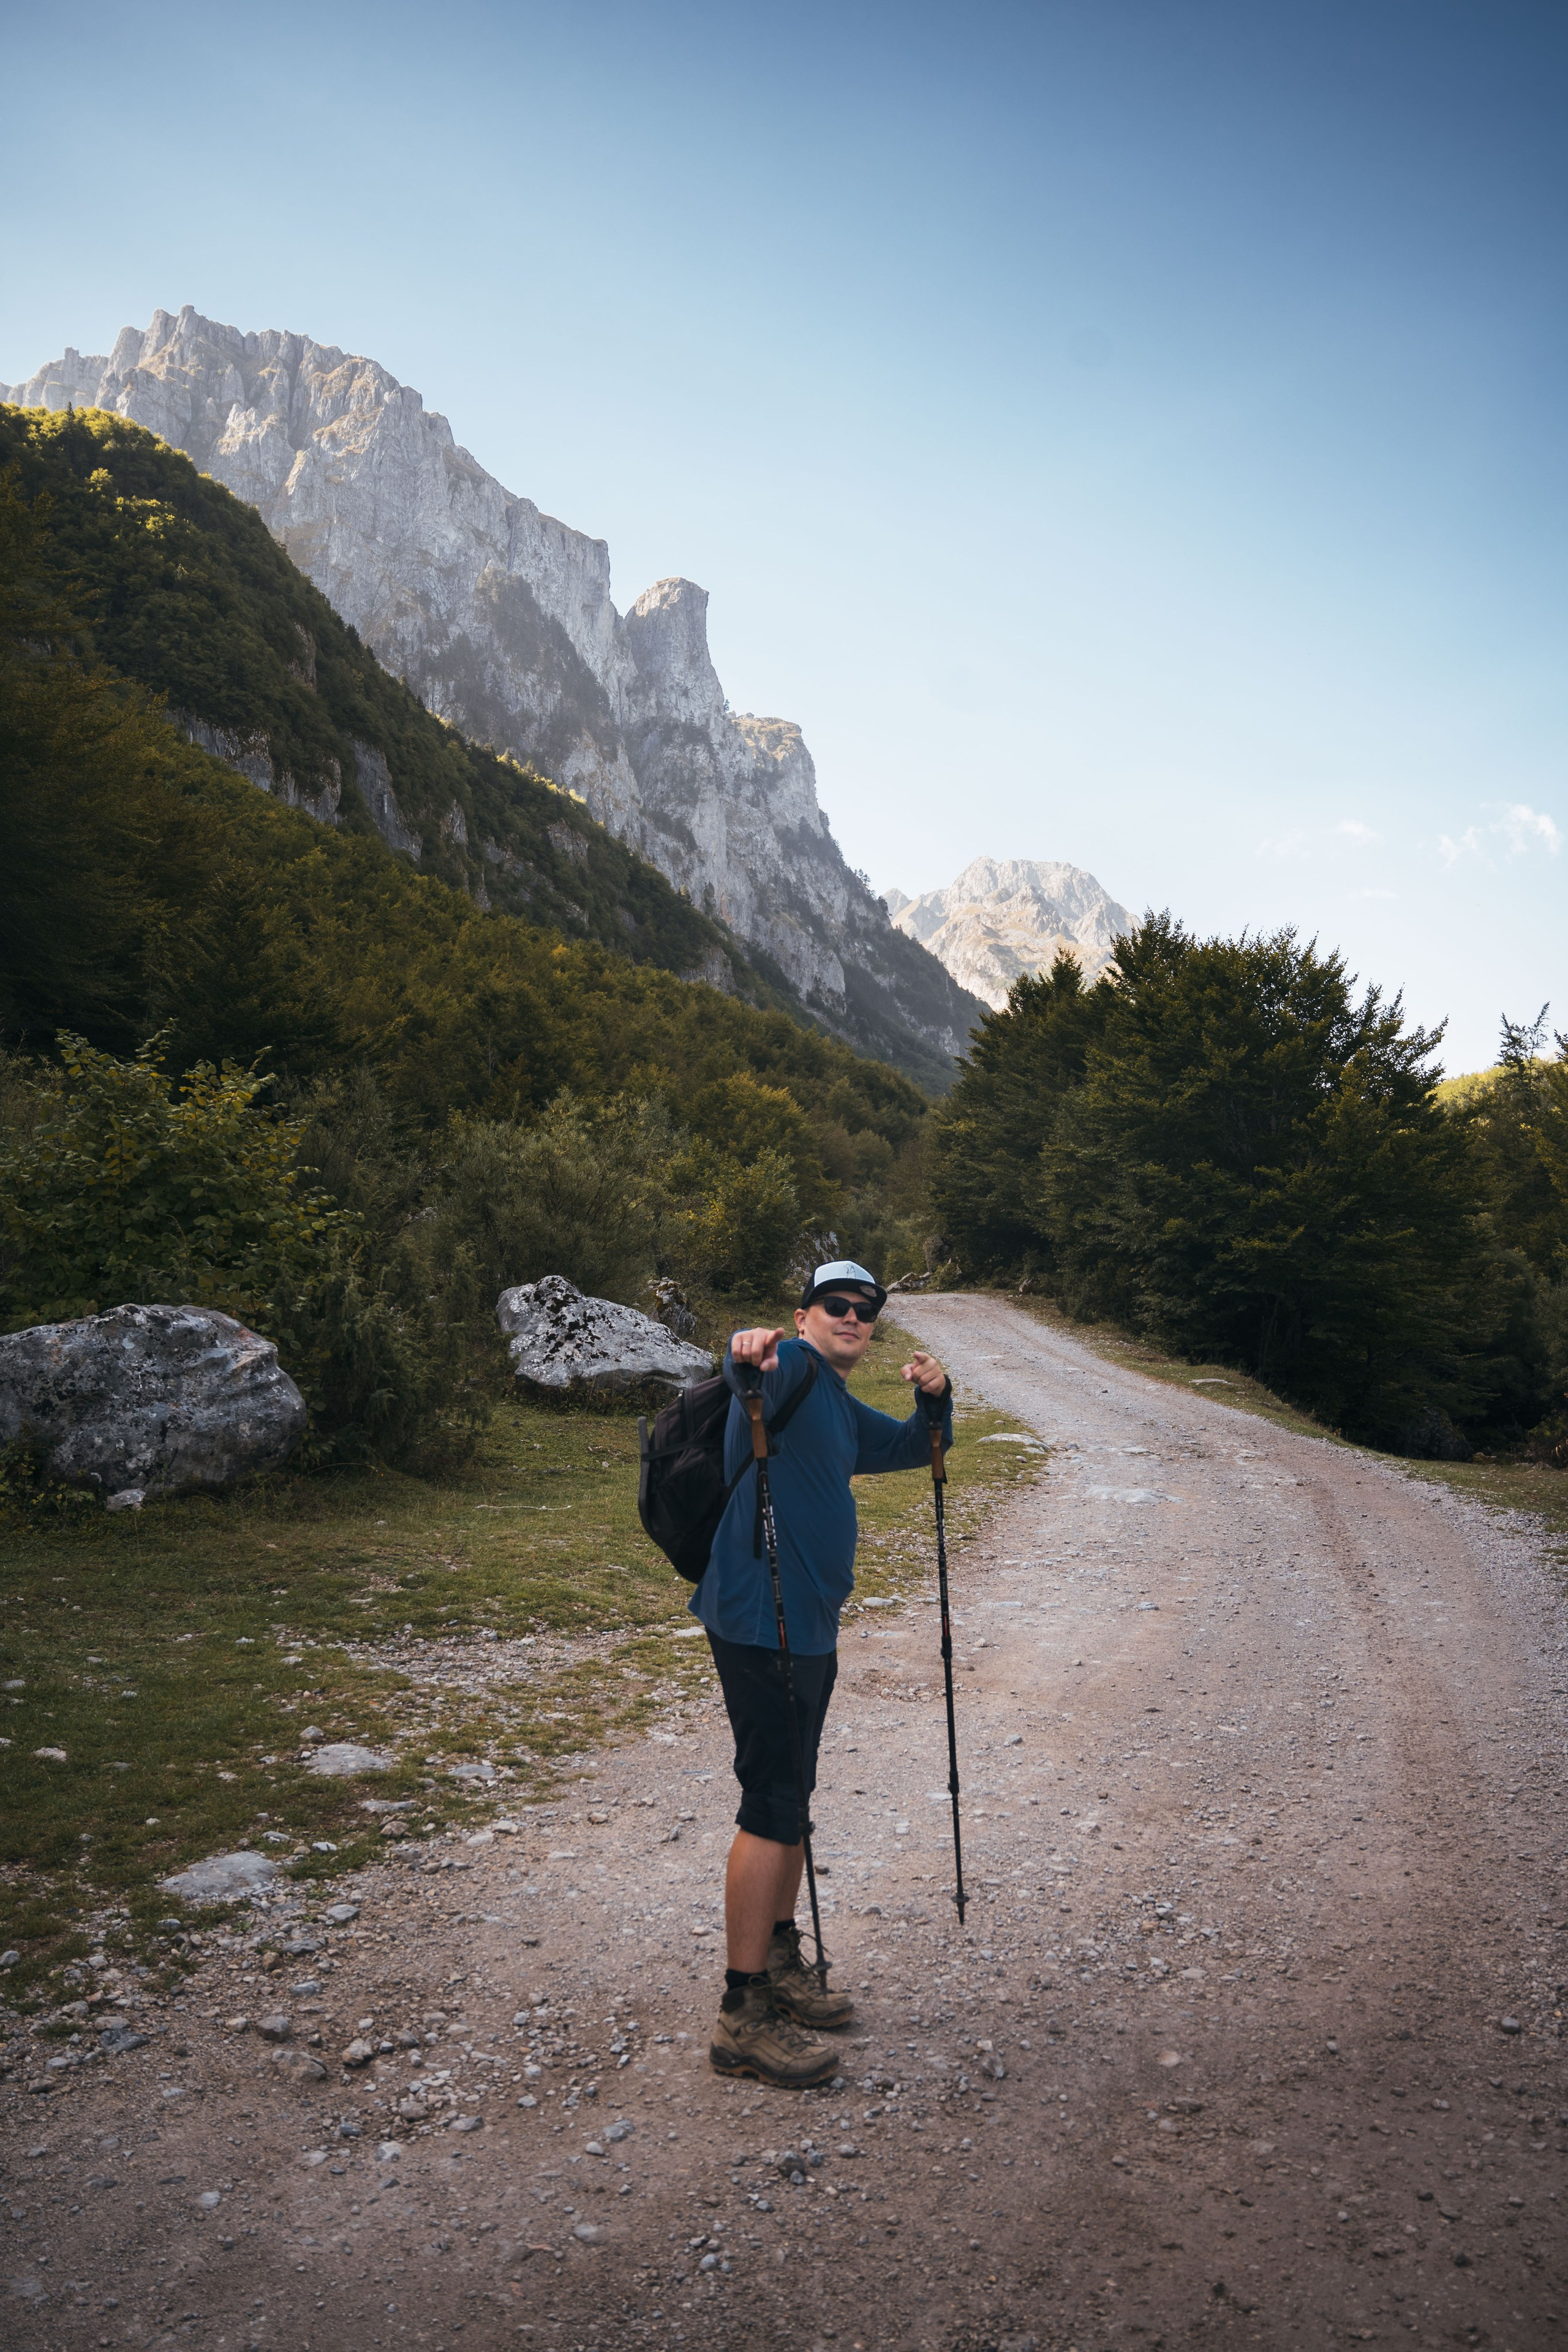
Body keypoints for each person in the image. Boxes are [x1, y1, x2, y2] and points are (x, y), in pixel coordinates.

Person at [692, 1259, 952, 2087]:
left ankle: (778, 1961)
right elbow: (750, 1363)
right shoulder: (790, 1368)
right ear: (803, 1316)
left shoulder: (838, 1406)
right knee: (771, 1804)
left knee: (792, 1797)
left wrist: (937, 1397)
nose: (851, 1316)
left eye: (864, 1309)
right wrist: (752, 1347)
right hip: (756, 1618)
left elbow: (919, 1446)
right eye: (834, 1305)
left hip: (805, 1626)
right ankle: (743, 2013)